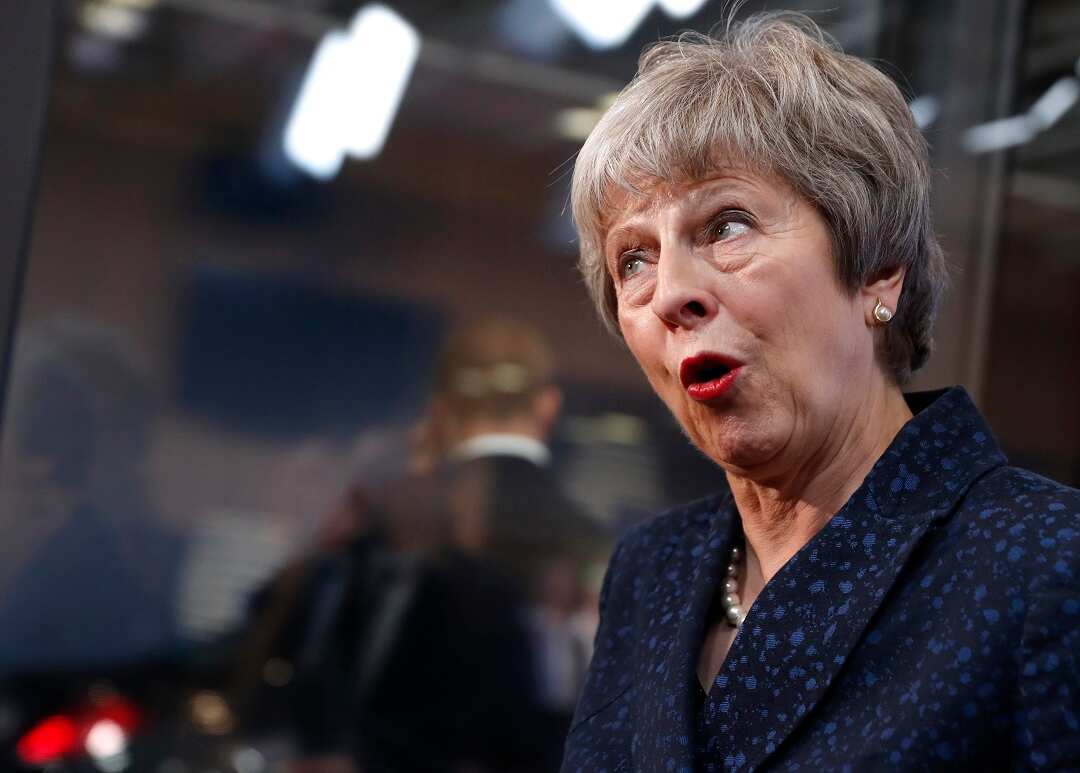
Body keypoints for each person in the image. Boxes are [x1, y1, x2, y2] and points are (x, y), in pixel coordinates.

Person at [561, 12, 1080, 772]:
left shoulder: (1047, 560)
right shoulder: (651, 570)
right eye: (632, 259)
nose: (670, 292)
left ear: (877, 270)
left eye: (726, 225)